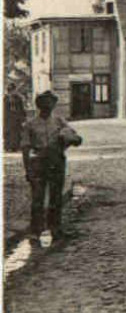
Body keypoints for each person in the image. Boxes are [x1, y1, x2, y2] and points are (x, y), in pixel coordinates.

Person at [21, 90, 82, 241]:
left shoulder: (59, 122)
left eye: (50, 102)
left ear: (54, 105)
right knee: (38, 199)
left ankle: (55, 229)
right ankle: (35, 231)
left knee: (56, 197)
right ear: (39, 105)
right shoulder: (30, 124)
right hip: (38, 163)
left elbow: (76, 138)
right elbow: (25, 148)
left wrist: (69, 138)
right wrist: (28, 170)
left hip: (56, 161)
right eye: (44, 103)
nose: (47, 106)